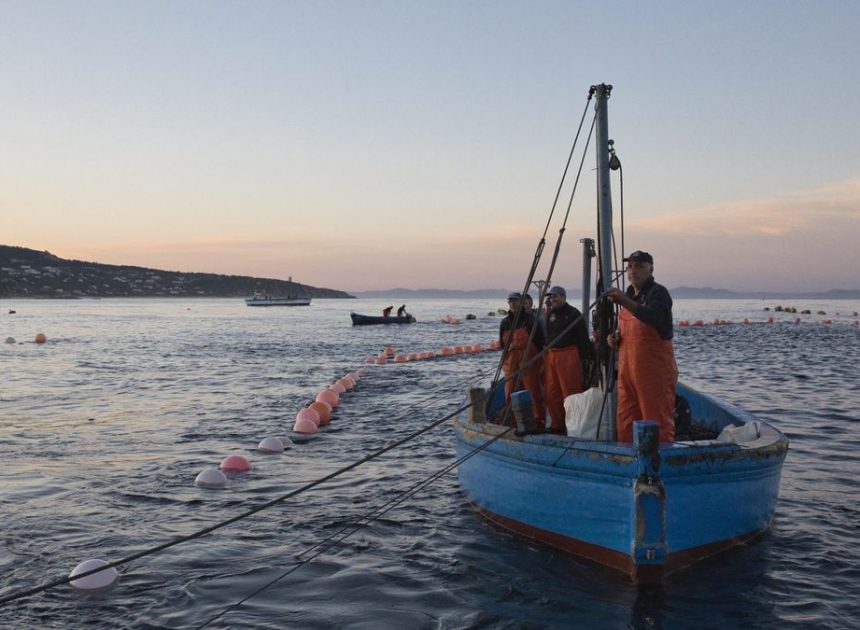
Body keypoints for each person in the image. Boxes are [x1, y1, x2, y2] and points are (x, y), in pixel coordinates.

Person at [606, 250, 677, 443]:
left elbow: (652, 317)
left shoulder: (658, 293)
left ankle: (660, 456)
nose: (633, 270)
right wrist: (613, 339)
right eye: (629, 267)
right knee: (626, 417)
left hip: (654, 371)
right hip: (627, 371)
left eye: (638, 266)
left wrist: (623, 301)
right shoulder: (628, 295)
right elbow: (623, 330)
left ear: (650, 269)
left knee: (655, 418)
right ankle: (627, 455)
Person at [544, 286, 592, 434]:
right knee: (552, 392)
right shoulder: (550, 314)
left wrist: (586, 358)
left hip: (568, 354)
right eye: (551, 297)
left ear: (563, 297)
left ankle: (574, 426)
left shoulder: (573, 314)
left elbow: (583, 337)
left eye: (555, 296)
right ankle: (557, 424)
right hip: (552, 355)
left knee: (570, 392)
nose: (553, 299)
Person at [499, 292, 545, 430]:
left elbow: (540, 341)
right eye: (510, 301)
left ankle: (538, 420)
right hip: (511, 360)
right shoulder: (505, 322)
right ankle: (512, 419)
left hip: (528, 359)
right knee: (510, 390)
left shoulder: (530, 320)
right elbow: (502, 344)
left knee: (532, 389)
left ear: (521, 303)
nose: (512, 303)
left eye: (515, 301)